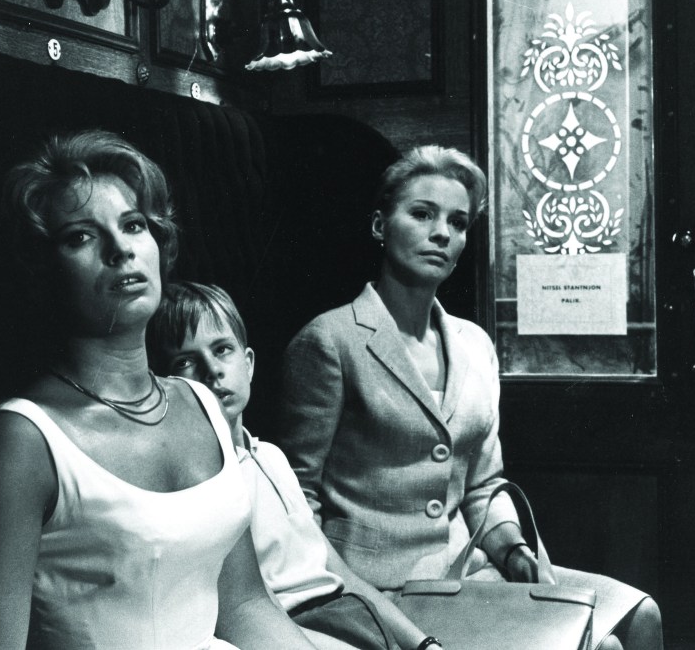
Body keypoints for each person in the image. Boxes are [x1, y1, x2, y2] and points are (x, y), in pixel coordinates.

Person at [277, 145, 663, 650]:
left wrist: (515, 552)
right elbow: (295, 501)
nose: (442, 232)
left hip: (471, 572)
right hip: (383, 593)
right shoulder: (329, 341)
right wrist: (348, 598)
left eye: (457, 222)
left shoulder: (475, 344)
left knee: (641, 617)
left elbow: (483, 485)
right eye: (422, 214)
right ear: (379, 226)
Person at [0, 130, 316, 650]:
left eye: (133, 225)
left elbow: (244, 606)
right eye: (81, 237)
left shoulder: (202, 404)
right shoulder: (23, 441)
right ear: (42, 268)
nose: (120, 249)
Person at [148, 280, 446, 650]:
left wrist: (423, 643)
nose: (212, 370)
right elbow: (249, 610)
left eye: (222, 349)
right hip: (286, 630)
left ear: (248, 363)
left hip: (348, 613)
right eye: (185, 361)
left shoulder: (271, 457)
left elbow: (338, 572)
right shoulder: (203, 481)